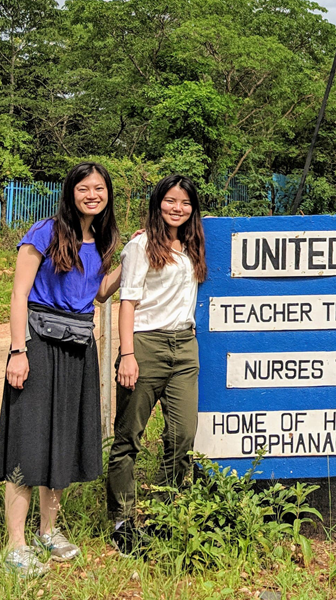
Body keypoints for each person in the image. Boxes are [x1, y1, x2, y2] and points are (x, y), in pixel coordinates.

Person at [0, 162, 121, 576]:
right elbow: (18, 295)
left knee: (62, 439)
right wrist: (18, 351)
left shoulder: (101, 239)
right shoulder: (45, 232)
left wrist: (133, 257)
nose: (92, 194)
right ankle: (16, 544)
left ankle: (48, 532)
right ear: (70, 192)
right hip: (37, 344)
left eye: (99, 188)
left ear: (107, 194)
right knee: (27, 440)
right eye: (84, 187)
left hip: (77, 348)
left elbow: (100, 292)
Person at [106, 174, 206, 555]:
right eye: (169, 200)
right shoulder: (141, 244)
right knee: (129, 436)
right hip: (146, 344)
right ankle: (123, 520)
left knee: (182, 435)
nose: (176, 208)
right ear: (157, 202)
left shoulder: (193, 244)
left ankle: (164, 512)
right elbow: (126, 301)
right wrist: (127, 354)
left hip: (185, 346)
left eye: (184, 202)